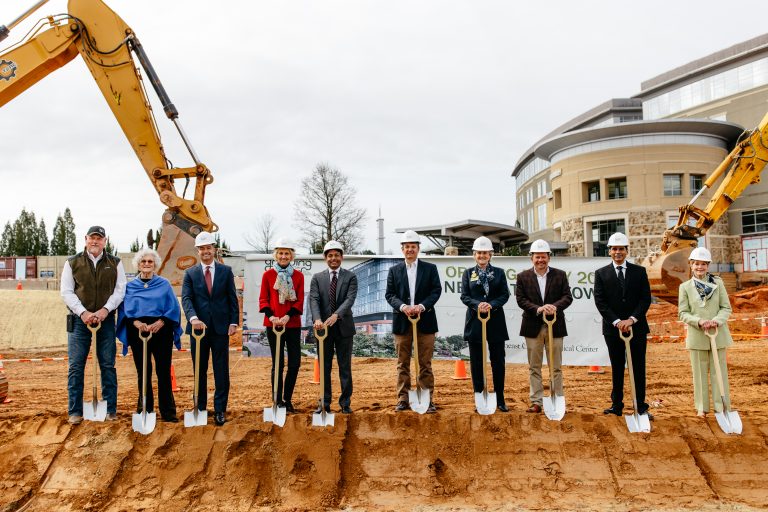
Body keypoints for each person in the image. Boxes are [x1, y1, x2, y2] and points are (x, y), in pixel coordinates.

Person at [60, 225, 126, 425]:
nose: (95, 242)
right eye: (92, 238)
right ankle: (75, 411)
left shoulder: (115, 263)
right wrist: (84, 313)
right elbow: (66, 292)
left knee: (107, 364)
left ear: (105, 241)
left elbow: (120, 290)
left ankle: (110, 409)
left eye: (99, 238)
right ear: (86, 239)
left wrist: (105, 310)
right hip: (79, 322)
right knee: (76, 366)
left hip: (105, 322)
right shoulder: (72, 263)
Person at [116, 248, 183, 423]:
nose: (146, 264)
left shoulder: (164, 284)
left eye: (150, 262)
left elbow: (173, 307)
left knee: (163, 370)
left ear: (155, 265)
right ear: (138, 264)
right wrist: (136, 323)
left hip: (161, 330)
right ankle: (145, 408)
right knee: (143, 371)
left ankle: (168, 411)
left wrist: (161, 322)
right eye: (143, 261)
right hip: (138, 331)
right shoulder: (129, 287)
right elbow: (123, 310)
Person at [181, 231, 239, 426]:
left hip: (221, 328)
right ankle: (201, 408)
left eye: (208, 247)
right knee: (200, 369)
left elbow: (232, 298)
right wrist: (193, 319)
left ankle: (220, 409)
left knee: (221, 370)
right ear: (197, 251)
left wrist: (233, 322)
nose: (205, 251)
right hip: (198, 331)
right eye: (202, 248)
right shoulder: (190, 273)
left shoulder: (225, 271)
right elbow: (187, 299)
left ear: (214, 249)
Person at [594, 232, 653, 419]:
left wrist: (632, 320)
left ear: (627, 251)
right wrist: (618, 322)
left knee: (638, 368)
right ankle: (616, 405)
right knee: (617, 367)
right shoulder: (601, 274)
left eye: (621, 249)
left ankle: (640, 407)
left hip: (637, 328)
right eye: (614, 249)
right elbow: (600, 302)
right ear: (609, 251)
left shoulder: (639, 271)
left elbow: (645, 299)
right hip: (613, 330)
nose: (617, 252)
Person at [385, 230, 442, 413]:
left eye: (413, 246)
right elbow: (390, 295)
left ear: (418, 249)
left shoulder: (430, 269)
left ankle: (427, 399)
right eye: (407, 246)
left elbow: (436, 291)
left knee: (425, 363)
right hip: (402, 323)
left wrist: (422, 306)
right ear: (402, 249)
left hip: (425, 322)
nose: (410, 249)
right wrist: (403, 307)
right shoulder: (394, 271)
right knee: (402, 363)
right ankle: (403, 398)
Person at [515, 239, 573, 413]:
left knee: (556, 366)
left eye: (544, 257)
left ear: (549, 257)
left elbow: (567, 297)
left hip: (555, 326)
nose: (540, 260)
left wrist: (554, 306)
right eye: (537, 257)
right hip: (532, 326)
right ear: (531, 258)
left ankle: (557, 398)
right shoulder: (523, 277)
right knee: (535, 366)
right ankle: (536, 402)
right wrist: (539, 309)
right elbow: (521, 300)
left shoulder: (560, 275)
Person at [678, 247, 733, 417]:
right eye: (696, 264)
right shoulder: (685, 287)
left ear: (708, 265)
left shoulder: (718, 283)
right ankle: (702, 407)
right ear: (691, 265)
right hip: (698, 335)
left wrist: (716, 320)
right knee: (699, 373)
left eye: (703, 264)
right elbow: (683, 312)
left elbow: (726, 307)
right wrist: (699, 321)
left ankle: (721, 407)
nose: (700, 267)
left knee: (719, 371)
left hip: (718, 334)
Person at [460, 236, 511, 412]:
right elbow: (465, 296)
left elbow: (505, 294)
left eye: (485, 253)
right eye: (479, 252)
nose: (482, 255)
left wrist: (491, 305)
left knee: (498, 361)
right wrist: (477, 305)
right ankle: (479, 397)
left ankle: (500, 399)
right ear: (474, 255)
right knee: (476, 362)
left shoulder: (499, 273)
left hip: (495, 321)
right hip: (475, 322)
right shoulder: (468, 273)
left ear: (490, 254)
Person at [309, 240, 358, 414]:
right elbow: (313, 299)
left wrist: (336, 315)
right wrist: (316, 318)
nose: (333, 258)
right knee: (325, 367)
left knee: (345, 367)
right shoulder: (317, 278)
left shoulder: (350, 277)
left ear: (342, 257)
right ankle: (324, 402)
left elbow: (349, 299)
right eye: (330, 255)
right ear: (325, 258)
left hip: (344, 328)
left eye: (337, 255)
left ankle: (345, 403)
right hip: (323, 329)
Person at [259, 239, 304, 413]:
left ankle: (287, 399)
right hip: (273, 325)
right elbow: (263, 299)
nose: (283, 256)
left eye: (287, 253)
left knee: (294, 363)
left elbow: (299, 301)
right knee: (277, 363)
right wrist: (272, 317)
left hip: (291, 324)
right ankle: (277, 401)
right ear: (276, 255)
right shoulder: (268, 275)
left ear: (291, 256)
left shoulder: (298, 276)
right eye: (280, 253)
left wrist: (287, 316)